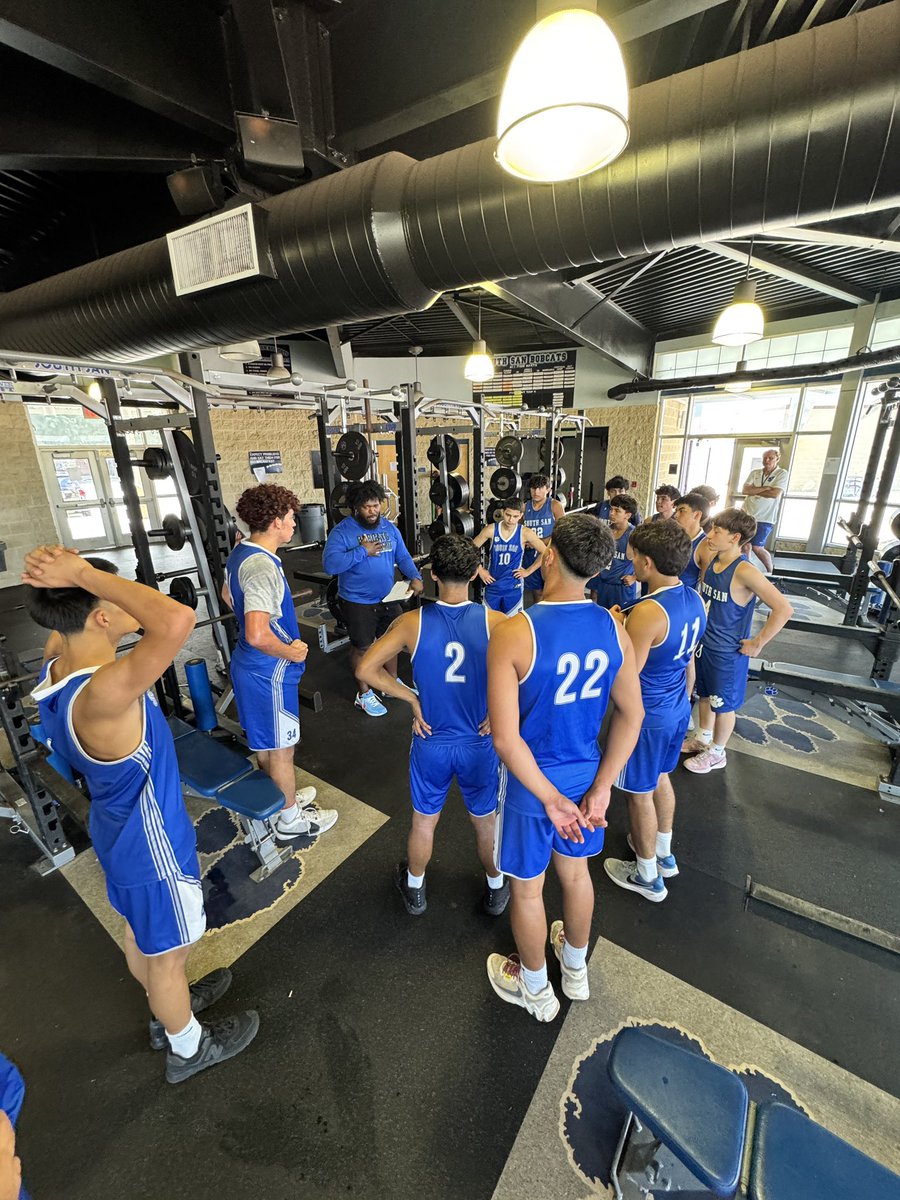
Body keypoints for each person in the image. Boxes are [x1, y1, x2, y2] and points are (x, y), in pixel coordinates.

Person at [24, 547, 258, 1084]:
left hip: (117, 829)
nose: (134, 594)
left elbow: (63, 623)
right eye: (120, 590)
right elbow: (177, 619)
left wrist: (65, 581)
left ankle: (166, 1004)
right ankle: (187, 1045)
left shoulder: (59, 663)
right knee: (169, 956)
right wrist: (84, 575)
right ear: (101, 613)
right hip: (151, 843)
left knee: (144, 937)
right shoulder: (105, 691)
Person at [485, 514, 644, 1021]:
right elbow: (632, 714)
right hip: (585, 777)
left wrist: (550, 799)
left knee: (528, 888)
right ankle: (574, 970)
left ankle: (535, 990)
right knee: (576, 877)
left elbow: (506, 741)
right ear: (597, 570)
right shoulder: (612, 626)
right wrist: (602, 790)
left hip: (535, 786)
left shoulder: (515, 632)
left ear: (549, 555)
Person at [358, 535, 509, 917]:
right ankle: (495, 887)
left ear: (434, 574)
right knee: (485, 823)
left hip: (431, 741)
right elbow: (526, 677)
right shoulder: (498, 622)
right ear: (476, 573)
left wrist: (411, 698)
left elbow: (365, 669)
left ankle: (415, 889)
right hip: (479, 741)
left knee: (424, 823)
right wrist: (498, 710)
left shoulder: (411, 622)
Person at [225, 483, 337, 841]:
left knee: (265, 744)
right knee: (283, 749)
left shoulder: (242, 550)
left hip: (249, 666)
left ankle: (278, 798)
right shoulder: (262, 568)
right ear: (275, 522)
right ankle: (290, 822)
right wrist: (290, 650)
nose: (294, 525)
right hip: (268, 672)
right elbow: (258, 635)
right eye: (290, 519)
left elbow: (230, 596)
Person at [602, 521, 707, 902]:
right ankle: (663, 852)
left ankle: (647, 874)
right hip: (678, 706)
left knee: (638, 793)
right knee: (662, 777)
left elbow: (626, 673)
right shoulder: (693, 598)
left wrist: (617, 629)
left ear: (646, 562)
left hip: (646, 718)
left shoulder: (647, 614)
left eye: (633, 556)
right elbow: (689, 665)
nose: (629, 560)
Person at [683, 509, 794, 774]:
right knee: (706, 696)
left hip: (728, 652)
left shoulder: (745, 571)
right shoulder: (713, 561)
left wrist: (758, 643)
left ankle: (718, 753)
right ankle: (703, 737)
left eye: (717, 532)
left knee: (724, 704)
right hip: (706, 645)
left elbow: (784, 609)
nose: (710, 535)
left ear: (734, 537)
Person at [322, 480, 424, 717]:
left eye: (376, 505)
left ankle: (391, 683)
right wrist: (362, 551)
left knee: (393, 642)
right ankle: (364, 694)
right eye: (367, 507)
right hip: (357, 601)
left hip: (388, 598)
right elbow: (330, 566)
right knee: (362, 647)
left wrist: (415, 577)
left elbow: (404, 557)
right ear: (356, 508)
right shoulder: (342, 533)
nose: (372, 511)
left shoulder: (388, 528)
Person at [473, 499, 546, 615]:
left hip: (513, 588)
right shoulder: (491, 529)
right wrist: (480, 570)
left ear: (521, 515)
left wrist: (528, 571)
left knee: (512, 626)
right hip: (492, 586)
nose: (511, 520)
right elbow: (469, 550)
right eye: (508, 515)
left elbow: (545, 552)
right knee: (490, 625)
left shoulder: (525, 533)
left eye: (515, 516)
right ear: (502, 512)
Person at [740, 448, 788, 573]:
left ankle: (771, 571)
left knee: (757, 547)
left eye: (770, 458)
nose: (767, 460)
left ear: (777, 459)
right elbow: (745, 490)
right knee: (745, 545)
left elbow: (774, 493)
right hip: (747, 514)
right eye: (765, 458)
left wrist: (755, 489)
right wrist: (765, 488)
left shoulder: (781, 474)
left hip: (765, 518)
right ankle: (748, 571)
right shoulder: (755, 473)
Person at [588, 494, 639, 609]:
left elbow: (647, 559)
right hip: (604, 584)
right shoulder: (606, 530)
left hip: (621, 588)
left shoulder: (633, 534)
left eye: (617, 511)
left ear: (628, 515)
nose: (611, 513)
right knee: (605, 618)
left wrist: (635, 577)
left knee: (621, 621)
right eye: (611, 509)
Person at [522, 474, 565, 604]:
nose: (536, 492)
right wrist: (525, 542)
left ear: (548, 489)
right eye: (533, 488)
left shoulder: (555, 506)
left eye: (540, 488)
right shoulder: (524, 507)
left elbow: (562, 531)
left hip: (550, 553)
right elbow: (517, 531)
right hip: (531, 555)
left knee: (551, 590)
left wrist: (539, 542)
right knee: (537, 591)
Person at [673, 492, 712, 590]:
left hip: (685, 600)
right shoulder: (672, 537)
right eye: (676, 510)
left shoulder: (705, 545)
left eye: (682, 511)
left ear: (697, 515)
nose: (676, 515)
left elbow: (705, 586)